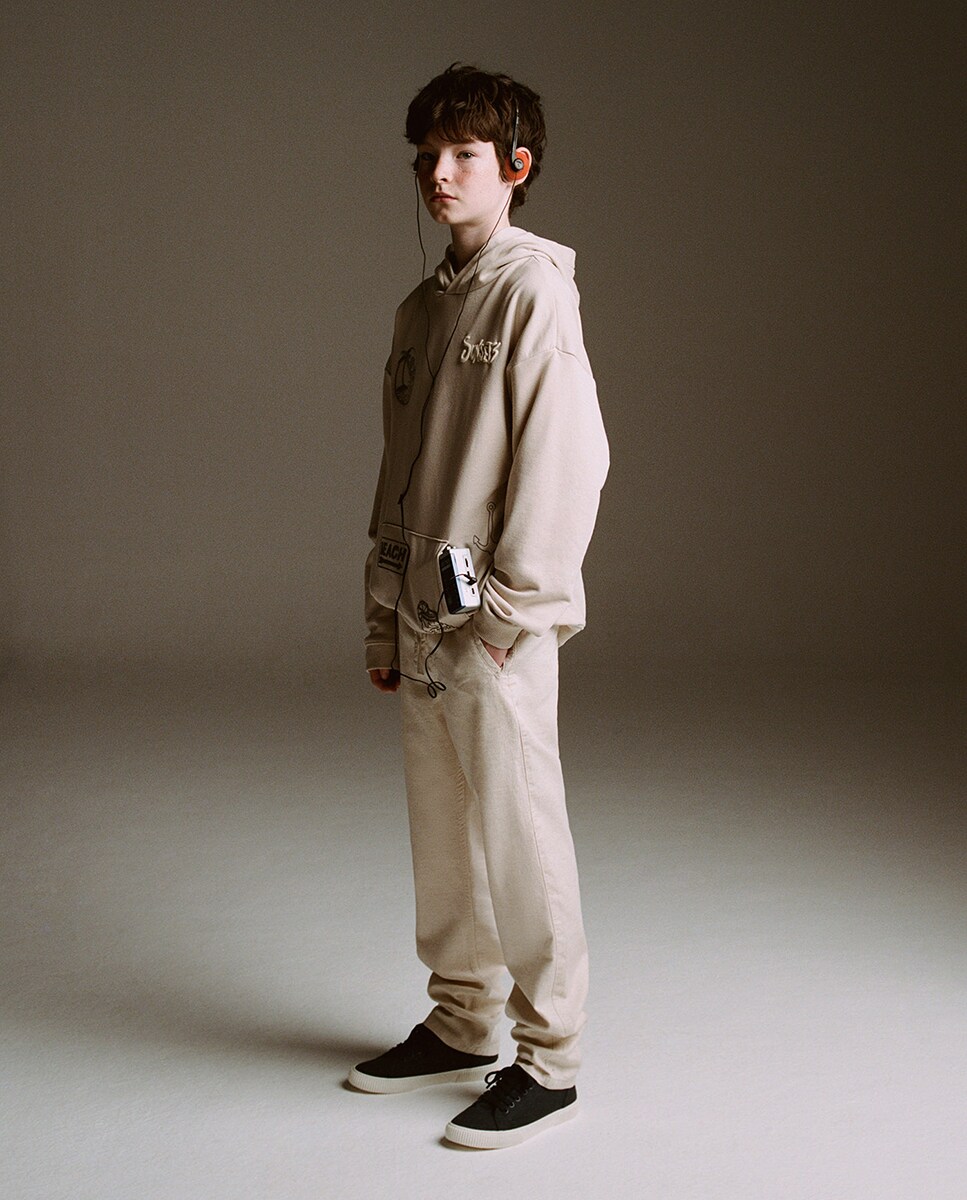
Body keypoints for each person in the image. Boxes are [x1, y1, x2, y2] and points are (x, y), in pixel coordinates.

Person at [350, 63, 609, 1149]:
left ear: (515, 165)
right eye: (427, 156)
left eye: (463, 153)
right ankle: (461, 1024)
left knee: (519, 835)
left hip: (491, 627)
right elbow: (398, 474)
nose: (439, 174)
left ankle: (550, 1059)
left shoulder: (533, 290)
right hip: (421, 621)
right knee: (445, 837)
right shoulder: (422, 308)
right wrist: (382, 615)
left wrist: (508, 616)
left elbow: (568, 462)